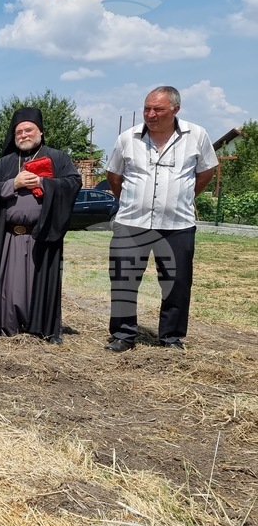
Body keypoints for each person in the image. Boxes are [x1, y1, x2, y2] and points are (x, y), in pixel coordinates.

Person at [104, 86, 217, 352]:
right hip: (132, 222)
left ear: (176, 109)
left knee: (176, 283)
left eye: (158, 109)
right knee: (124, 280)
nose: (151, 114)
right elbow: (113, 176)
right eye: (147, 108)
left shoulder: (197, 136)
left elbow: (206, 172)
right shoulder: (127, 138)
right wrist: (131, 201)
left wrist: (182, 197)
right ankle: (123, 334)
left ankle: (171, 337)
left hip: (178, 224)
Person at [0, 107, 82, 343]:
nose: (24, 135)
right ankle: (8, 325)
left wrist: (44, 183)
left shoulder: (58, 158)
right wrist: (12, 184)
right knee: (10, 287)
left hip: (42, 236)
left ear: (41, 133)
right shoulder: (5, 163)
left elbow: (73, 183)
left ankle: (41, 327)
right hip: (9, 238)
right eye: (19, 132)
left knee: (40, 283)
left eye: (29, 130)